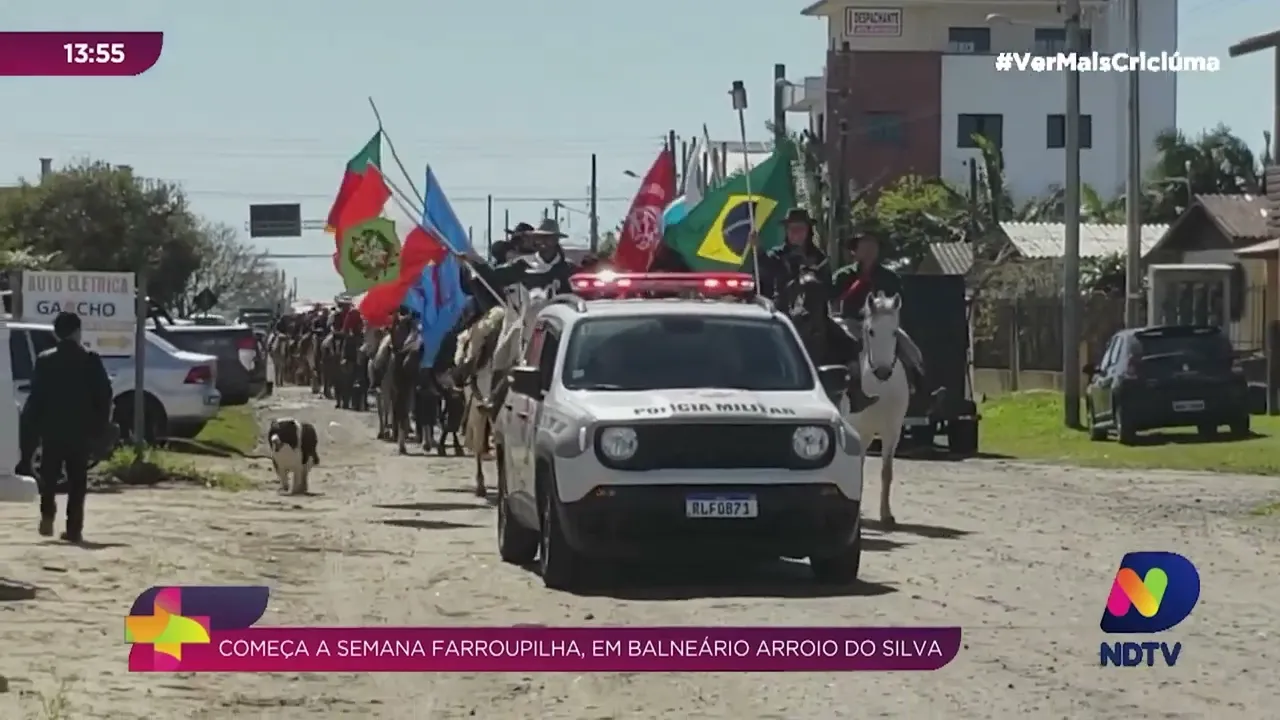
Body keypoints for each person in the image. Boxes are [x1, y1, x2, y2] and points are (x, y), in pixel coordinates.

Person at [24, 312, 113, 543]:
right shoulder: (90, 360)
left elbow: (36, 398)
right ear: (77, 332)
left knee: (48, 476)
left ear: (56, 333)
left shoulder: (45, 360)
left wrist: (31, 427)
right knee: (77, 481)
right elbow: (104, 395)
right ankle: (74, 529)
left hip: (52, 430)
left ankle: (47, 513)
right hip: (80, 430)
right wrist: (100, 425)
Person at [831, 231, 937, 410]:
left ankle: (923, 393)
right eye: (864, 246)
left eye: (873, 246)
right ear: (855, 251)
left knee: (911, 349)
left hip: (882, 324)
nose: (869, 250)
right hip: (851, 322)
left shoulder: (889, 277)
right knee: (839, 345)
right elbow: (833, 301)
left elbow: (898, 304)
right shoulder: (842, 276)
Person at [756, 208, 831, 305]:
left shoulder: (819, 258)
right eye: (791, 229)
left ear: (808, 230)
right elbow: (764, 267)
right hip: (781, 310)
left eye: (800, 228)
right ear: (786, 231)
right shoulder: (776, 255)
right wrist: (758, 249)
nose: (795, 233)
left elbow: (827, 291)